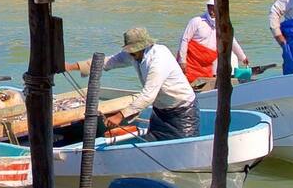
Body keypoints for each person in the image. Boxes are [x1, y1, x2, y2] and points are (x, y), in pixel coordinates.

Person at [64, 27, 198, 141]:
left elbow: (148, 95)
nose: (130, 54)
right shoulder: (133, 54)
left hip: (182, 110)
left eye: (133, 51)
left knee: (182, 148)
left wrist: (119, 116)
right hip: (160, 110)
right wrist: (72, 67)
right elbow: (108, 62)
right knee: (156, 145)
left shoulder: (158, 59)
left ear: (144, 46)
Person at [178, 0, 250, 84]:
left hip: (207, 64)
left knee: (205, 83)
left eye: (215, 8)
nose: (212, 11)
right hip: (191, 61)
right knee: (186, 81)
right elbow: (185, 40)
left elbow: (232, 41)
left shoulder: (223, 25)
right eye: (210, 8)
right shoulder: (196, 21)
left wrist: (242, 57)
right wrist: (182, 61)